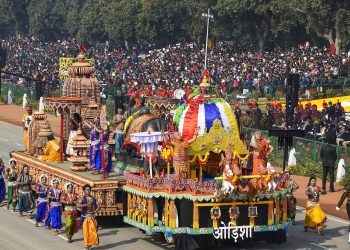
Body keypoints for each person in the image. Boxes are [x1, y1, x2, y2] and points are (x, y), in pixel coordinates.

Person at [78, 184, 99, 250]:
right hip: (85, 218)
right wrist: (86, 204)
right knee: (86, 232)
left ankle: (91, 243)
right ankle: (87, 245)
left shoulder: (93, 198)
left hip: (92, 217)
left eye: (89, 189)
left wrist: (95, 211)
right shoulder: (82, 198)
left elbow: (99, 206)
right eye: (86, 189)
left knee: (92, 232)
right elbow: (78, 205)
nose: (88, 191)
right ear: (84, 190)